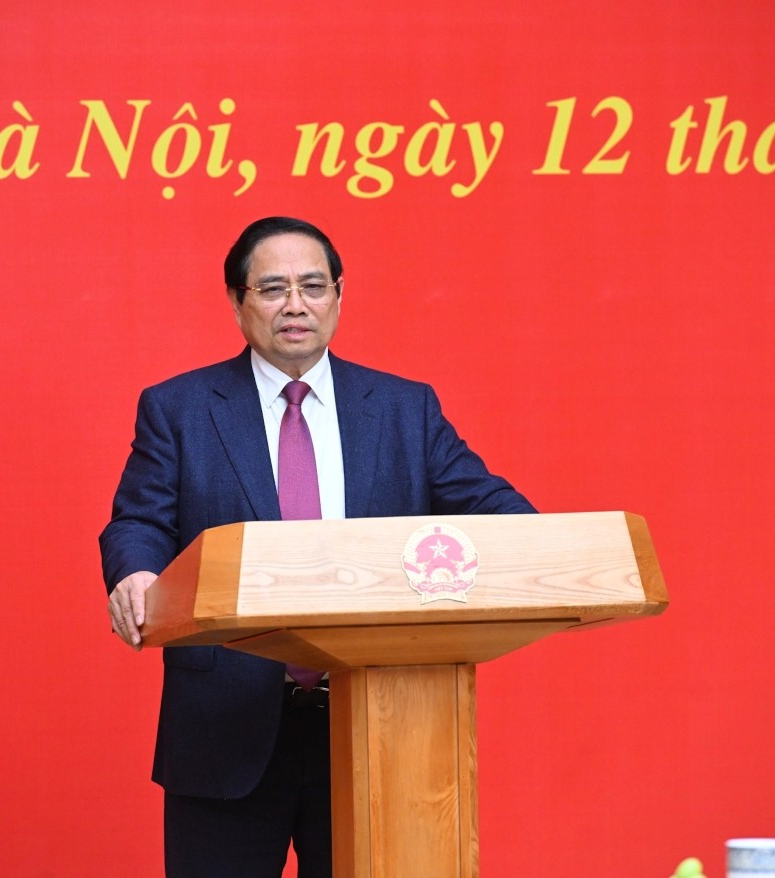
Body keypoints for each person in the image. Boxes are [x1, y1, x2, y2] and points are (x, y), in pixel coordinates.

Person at [99, 216, 535, 878]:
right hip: (225, 726)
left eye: (312, 286)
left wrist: (545, 549)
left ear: (339, 294)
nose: (295, 305)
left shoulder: (404, 409)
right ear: (237, 301)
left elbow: (496, 512)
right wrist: (135, 573)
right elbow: (139, 521)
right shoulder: (180, 408)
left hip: (376, 724)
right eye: (273, 288)